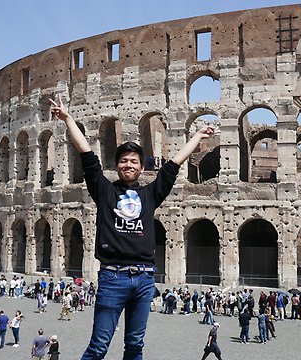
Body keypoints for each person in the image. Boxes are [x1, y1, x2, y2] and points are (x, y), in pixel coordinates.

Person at [50, 95, 218, 360]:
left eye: (134, 162)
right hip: (112, 277)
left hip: (144, 279)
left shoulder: (150, 195)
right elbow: (87, 156)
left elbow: (173, 165)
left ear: (141, 167)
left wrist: (197, 135)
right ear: (117, 166)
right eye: (124, 161)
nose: (128, 165)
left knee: (135, 345)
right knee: (99, 346)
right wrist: (68, 119)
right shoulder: (105, 191)